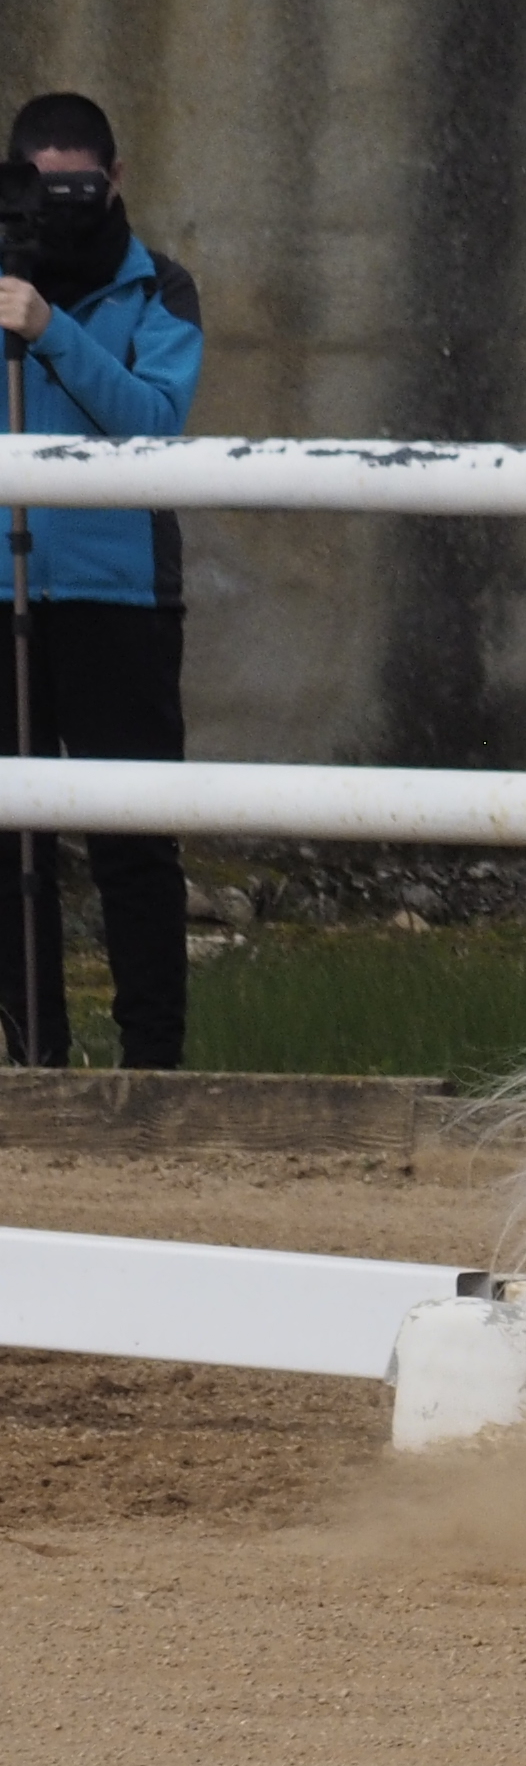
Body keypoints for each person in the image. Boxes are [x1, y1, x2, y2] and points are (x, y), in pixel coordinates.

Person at [0, 90, 203, 1067]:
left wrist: (47, 327)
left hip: (122, 602)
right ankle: (37, 1056)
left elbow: (155, 425)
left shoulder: (160, 287)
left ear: (117, 180)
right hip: (4, 596)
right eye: (41, 190)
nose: (65, 206)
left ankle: (154, 1071)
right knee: (9, 842)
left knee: (134, 843)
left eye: (81, 186)